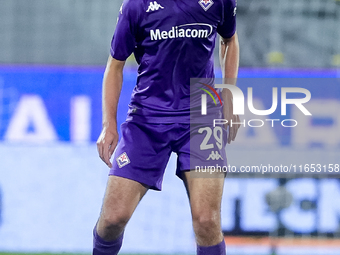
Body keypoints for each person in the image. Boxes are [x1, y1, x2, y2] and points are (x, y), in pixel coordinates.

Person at [93, 0, 240, 254]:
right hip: (147, 119)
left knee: (207, 221)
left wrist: (228, 92)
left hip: (202, 115)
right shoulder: (136, 6)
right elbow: (114, 66)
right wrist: (109, 125)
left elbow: (230, 40)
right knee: (112, 219)